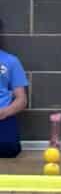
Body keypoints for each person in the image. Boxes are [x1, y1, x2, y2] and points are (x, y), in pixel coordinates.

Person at [0, 19, 27, 159]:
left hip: (2, 116)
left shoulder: (11, 61)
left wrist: (4, 112)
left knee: (9, 148)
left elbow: (21, 100)